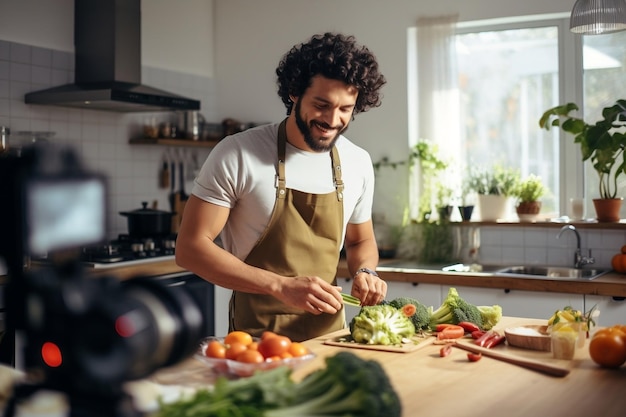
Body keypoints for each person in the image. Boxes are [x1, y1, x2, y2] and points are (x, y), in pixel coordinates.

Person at [175, 32, 387, 342]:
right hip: (256, 343)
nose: (332, 120)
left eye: (345, 109)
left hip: (330, 339)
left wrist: (366, 271)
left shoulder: (357, 162)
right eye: (322, 104)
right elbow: (191, 249)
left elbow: (360, 242)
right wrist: (280, 286)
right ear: (293, 93)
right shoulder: (237, 153)